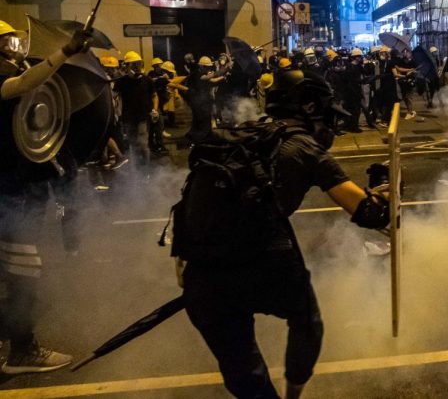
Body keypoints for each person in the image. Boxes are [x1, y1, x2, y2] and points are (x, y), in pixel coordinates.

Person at [179, 69, 390, 399]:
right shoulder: (304, 146)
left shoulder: (241, 135)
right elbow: (369, 213)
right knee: (307, 323)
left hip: (202, 275)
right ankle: (293, 395)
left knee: (244, 372)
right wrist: (385, 193)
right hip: (261, 265)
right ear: (309, 108)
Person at [0, 19, 93, 373]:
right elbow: (24, 84)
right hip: (10, 193)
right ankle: (23, 350)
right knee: (23, 273)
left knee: (11, 271)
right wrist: (66, 50)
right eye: (8, 44)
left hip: (14, 190)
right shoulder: (6, 81)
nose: (14, 51)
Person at [116, 51, 157, 162]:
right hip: (128, 118)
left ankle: (146, 168)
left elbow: (154, 96)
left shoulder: (147, 80)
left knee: (143, 144)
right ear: (127, 66)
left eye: (139, 64)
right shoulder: (121, 82)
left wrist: (154, 109)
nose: (137, 67)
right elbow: (114, 96)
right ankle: (136, 170)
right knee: (133, 145)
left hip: (143, 116)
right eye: (134, 64)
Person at [186, 56, 219, 143]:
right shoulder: (197, 73)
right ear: (201, 66)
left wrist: (223, 76)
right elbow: (205, 78)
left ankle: (200, 135)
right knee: (201, 119)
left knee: (202, 119)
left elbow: (212, 80)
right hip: (197, 101)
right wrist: (221, 71)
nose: (208, 68)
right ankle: (201, 138)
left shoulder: (202, 72)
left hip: (202, 100)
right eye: (207, 67)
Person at [147, 58, 170, 153]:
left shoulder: (164, 74)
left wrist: (165, 78)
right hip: (152, 104)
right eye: (156, 66)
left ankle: (155, 145)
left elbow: (168, 82)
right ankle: (155, 145)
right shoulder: (150, 74)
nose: (158, 67)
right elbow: (151, 81)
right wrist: (160, 78)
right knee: (155, 126)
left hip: (160, 103)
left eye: (159, 65)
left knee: (157, 125)